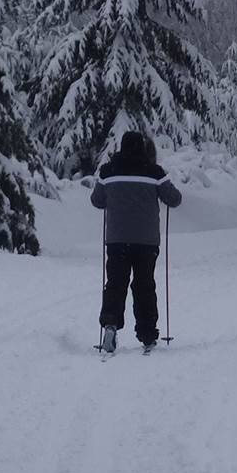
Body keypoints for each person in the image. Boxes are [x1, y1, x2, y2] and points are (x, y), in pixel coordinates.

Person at [90, 131, 182, 353]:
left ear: (121, 147)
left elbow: (97, 200)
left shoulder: (108, 171)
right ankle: (148, 334)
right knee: (144, 286)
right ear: (142, 147)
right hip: (146, 242)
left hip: (117, 240)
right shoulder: (154, 171)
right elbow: (174, 199)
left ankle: (110, 324)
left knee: (115, 284)